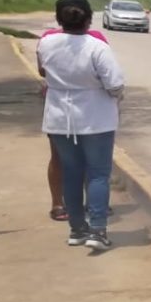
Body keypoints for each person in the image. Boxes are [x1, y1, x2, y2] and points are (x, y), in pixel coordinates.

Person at [38, 0, 125, 250]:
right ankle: (97, 230)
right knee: (98, 175)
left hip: (60, 119)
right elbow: (115, 84)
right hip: (95, 120)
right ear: (89, 18)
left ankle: (77, 229)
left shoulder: (46, 43)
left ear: (59, 19)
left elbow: (43, 71)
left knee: (71, 173)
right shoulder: (97, 47)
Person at [40, 25, 109, 222]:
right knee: (66, 159)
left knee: (84, 160)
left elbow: (42, 71)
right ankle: (62, 204)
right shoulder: (50, 38)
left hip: (79, 108)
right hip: (69, 108)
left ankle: (89, 203)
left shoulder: (95, 37)